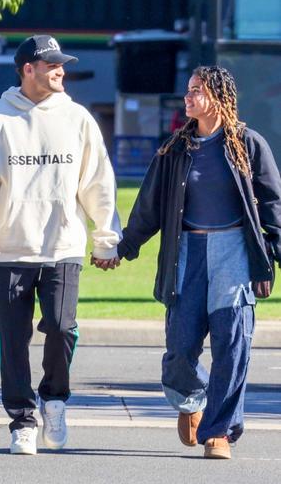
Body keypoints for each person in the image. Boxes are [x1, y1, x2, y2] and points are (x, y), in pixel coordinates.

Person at [0, 34, 121, 455]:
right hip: (11, 250)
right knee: (12, 340)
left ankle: (54, 399)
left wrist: (106, 239)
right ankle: (22, 421)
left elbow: (97, 183)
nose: (60, 71)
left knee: (62, 328)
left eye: (61, 64)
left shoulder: (78, 118)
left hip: (62, 246)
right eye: (52, 65)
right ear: (27, 69)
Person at [117, 65, 281, 459]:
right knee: (178, 350)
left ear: (219, 97)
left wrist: (269, 259)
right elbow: (149, 207)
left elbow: (273, 204)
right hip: (186, 253)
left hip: (234, 255)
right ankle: (192, 400)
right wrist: (124, 247)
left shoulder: (249, 144)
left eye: (196, 91)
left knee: (232, 346)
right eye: (188, 90)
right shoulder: (174, 150)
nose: (187, 98)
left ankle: (219, 433)